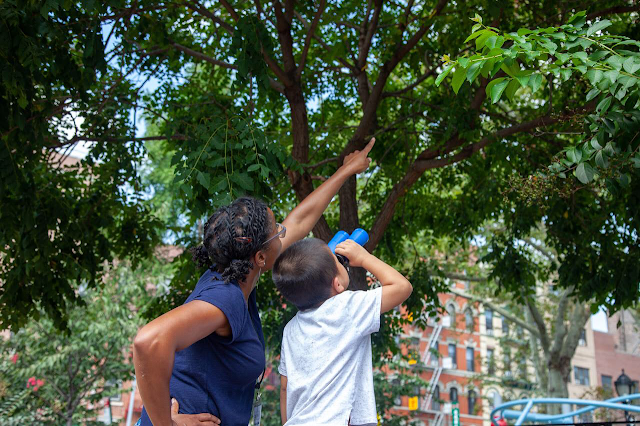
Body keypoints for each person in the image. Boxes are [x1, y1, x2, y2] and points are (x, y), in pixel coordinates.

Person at [132, 138, 375, 426]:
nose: (284, 232)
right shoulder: (225, 297)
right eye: (277, 232)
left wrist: (346, 171)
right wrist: (166, 425)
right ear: (260, 257)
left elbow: (300, 221)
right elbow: (147, 342)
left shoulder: (235, 272)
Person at [274, 238, 413, 425]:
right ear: (337, 283)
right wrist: (364, 258)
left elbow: (285, 387)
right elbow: (402, 287)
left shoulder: (290, 329)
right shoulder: (347, 308)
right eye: (337, 261)